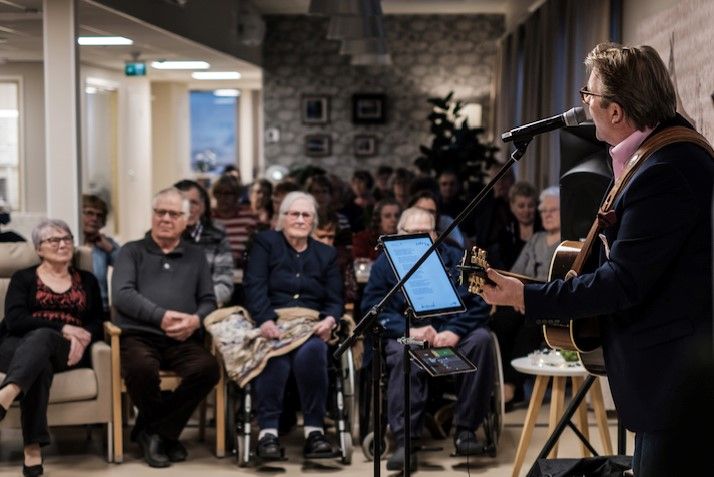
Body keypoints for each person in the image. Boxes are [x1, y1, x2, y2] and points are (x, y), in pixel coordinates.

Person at [481, 43, 714, 476]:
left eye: (589, 95)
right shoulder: (657, 156)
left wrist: (527, 296)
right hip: (667, 381)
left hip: (676, 385)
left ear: (616, 111)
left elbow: (622, 282)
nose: (583, 104)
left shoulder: (666, 168)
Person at [361, 207, 494, 471]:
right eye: (415, 232)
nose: (423, 238)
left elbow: (479, 303)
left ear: (436, 234)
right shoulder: (383, 266)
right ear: (399, 234)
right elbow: (372, 309)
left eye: (428, 232)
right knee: (399, 353)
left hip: (450, 332)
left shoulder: (457, 259)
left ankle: (465, 431)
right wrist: (407, 332)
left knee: (482, 340)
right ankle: (405, 441)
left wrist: (454, 330)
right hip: (407, 335)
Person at [112, 187, 219, 468]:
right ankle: (164, 435)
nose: (166, 218)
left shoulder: (196, 256)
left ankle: (152, 432)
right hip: (139, 335)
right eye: (161, 212)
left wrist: (195, 320)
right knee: (140, 369)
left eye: (174, 213)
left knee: (207, 369)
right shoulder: (131, 251)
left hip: (183, 338)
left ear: (186, 220)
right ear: (153, 215)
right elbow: (122, 294)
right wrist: (160, 316)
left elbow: (209, 300)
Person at [243, 191, 343, 460]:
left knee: (314, 353)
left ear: (313, 221)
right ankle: (268, 435)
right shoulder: (265, 243)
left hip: (310, 325)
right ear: (282, 218)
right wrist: (264, 320)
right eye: (294, 214)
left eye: (306, 215)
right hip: (272, 321)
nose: (299, 219)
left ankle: (314, 432)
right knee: (274, 357)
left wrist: (329, 320)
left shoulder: (326, 254)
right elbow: (254, 287)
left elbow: (335, 300)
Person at [0, 219, 103, 477]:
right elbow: (15, 320)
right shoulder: (23, 278)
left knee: (44, 342)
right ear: (38, 248)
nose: (62, 244)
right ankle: (32, 447)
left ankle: (6, 393)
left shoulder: (87, 280)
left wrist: (84, 338)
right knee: (40, 361)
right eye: (53, 240)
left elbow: (97, 320)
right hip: (16, 346)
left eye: (67, 238)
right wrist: (64, 328)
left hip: (66, 351)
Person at [490, 186, 561, 408]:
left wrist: (529, 299)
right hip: (525, 297)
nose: (546, 214)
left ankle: (510, 387)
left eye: (553, 210)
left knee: (529, 327)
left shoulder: (568, 241)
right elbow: (516, 272)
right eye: (544, 211)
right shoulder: (536, 239)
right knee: (500, 320)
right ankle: (502, 383)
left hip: (548, 302)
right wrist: (516, 298)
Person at [174, 179, 234, 307]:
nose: (188, 209)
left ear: (203, 206)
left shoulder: (217, 236)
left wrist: (195, 303)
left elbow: (225, 285)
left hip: (205, 309)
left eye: (194, 203)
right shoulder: (160, 235)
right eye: (182, 203)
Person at [489, 181, 542, 270]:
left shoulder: (544, 231)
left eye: (530, 205)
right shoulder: (504, 234)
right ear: (512, 207)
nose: (526, 210)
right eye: (521, 206)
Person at [81, 194, 120, 316]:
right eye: (89, 213)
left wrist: (110, 248)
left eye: (99, 215)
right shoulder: (67, 242)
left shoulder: (106, 243)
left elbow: (126, 264)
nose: (94, 218)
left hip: (100, 309)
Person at [211, 174, 258, 268]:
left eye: (227, 193)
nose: (222, 198)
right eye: (218, 193)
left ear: (237, 196)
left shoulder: (249, 218)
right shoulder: (208, 218)